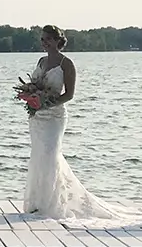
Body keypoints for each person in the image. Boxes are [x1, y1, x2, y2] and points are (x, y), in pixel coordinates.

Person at [22, 24, 122, 219]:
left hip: (55, 116)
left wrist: (47, 103)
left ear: (58, 41)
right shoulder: (41, 61)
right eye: (42, 39)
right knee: (39, 156)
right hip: (37, 117)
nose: (44, 43)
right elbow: (35, 85)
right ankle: (36, 203)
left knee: (51, 155)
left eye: (48, 39)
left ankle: (52, 204)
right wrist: (32, 97)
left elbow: (69, 94)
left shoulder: (66, 64)